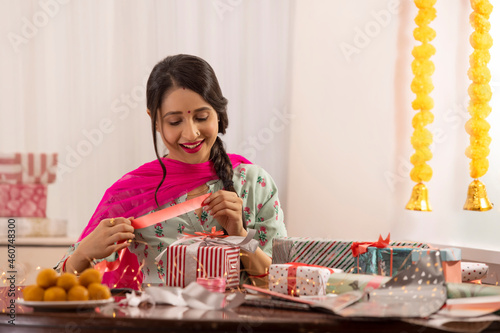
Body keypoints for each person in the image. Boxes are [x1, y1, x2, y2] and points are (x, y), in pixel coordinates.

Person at [55, 54, 287, 289]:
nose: (191, 133)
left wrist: (239, 234)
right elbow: (56, 285)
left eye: (202, 117)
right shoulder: (130, 195)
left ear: (218, 112)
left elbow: (285, 284)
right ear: (154, 120)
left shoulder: (255, 184)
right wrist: (83, 254)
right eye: (175, 122)